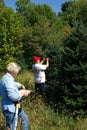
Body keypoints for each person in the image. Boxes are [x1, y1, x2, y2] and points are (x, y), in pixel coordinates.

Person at [0, 62, 32, 130]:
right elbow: (13, 96)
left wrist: (20, 85)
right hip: (10, 108)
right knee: (12, 127)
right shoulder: (7, 80)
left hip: (15, 106)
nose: (17, 73)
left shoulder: (7, 78)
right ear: (13, 71)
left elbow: (13, 84)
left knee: (24, 118)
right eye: (17, 72)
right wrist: (23, 94)